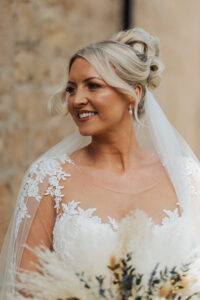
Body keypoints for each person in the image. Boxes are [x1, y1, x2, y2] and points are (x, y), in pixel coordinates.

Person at [1, 27, 200, 299]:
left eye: (93, 85)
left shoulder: (186, 176)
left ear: (134, 93)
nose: (76, 99)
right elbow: (24, 290)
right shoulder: (48, 179)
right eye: (71, 88)